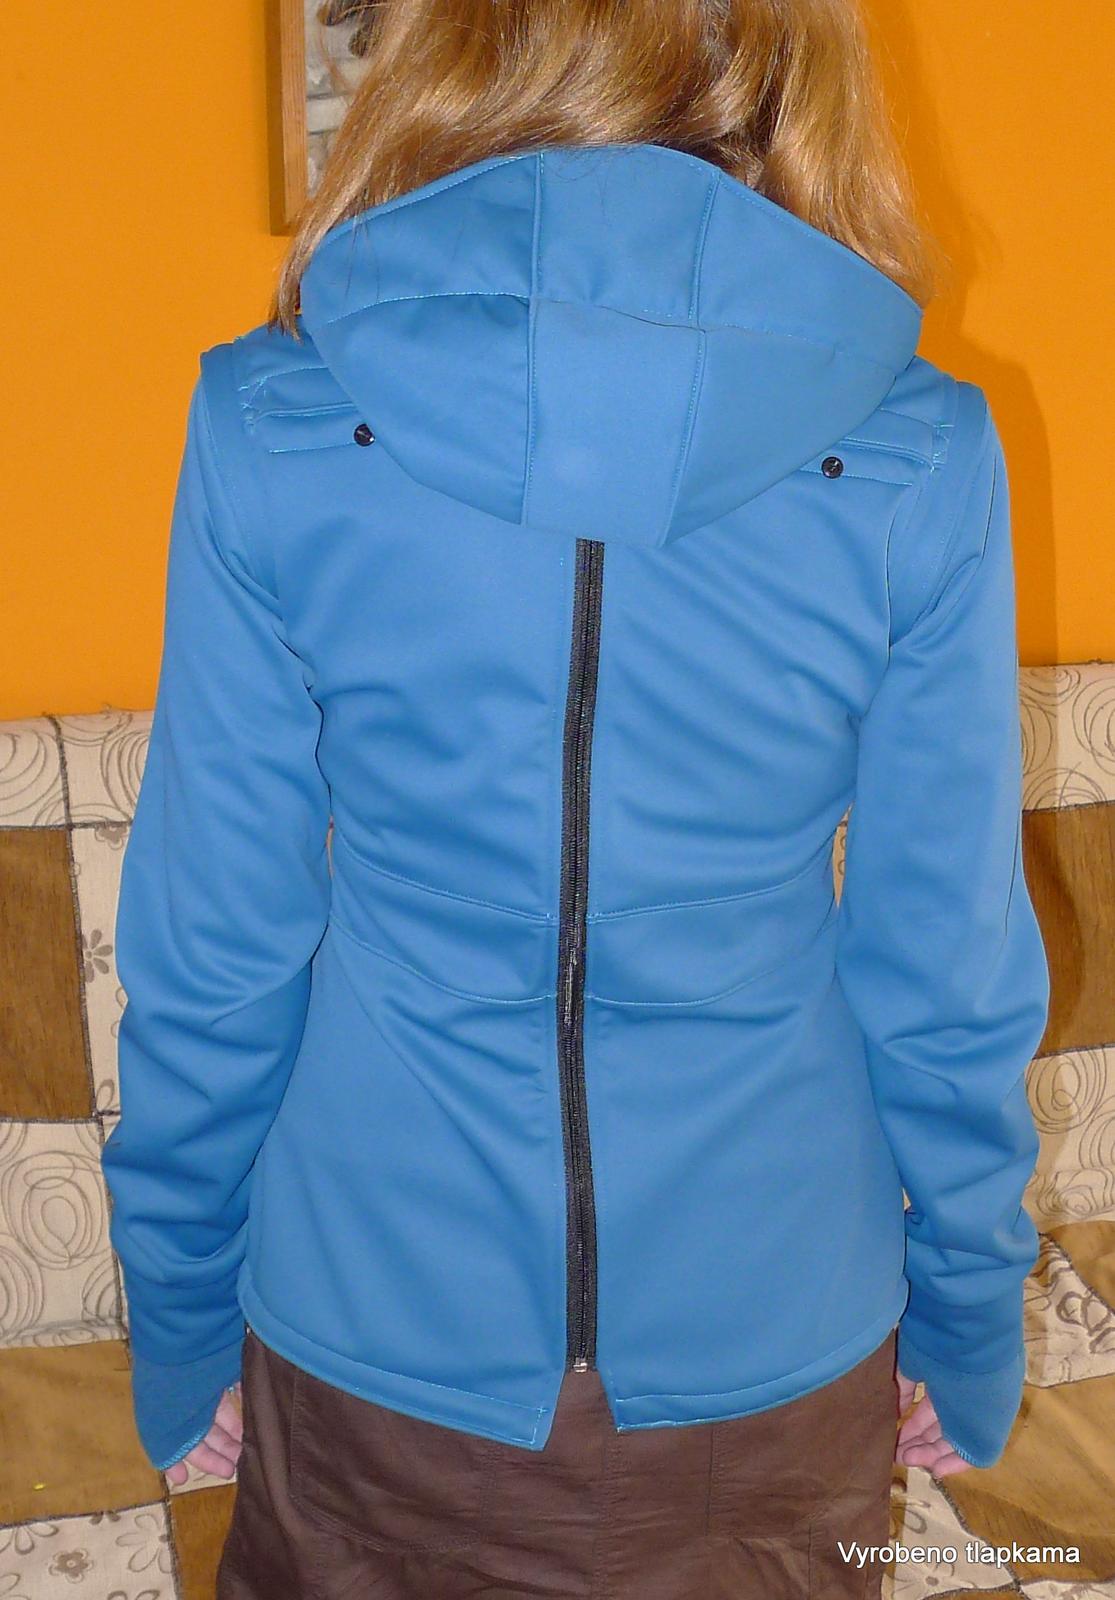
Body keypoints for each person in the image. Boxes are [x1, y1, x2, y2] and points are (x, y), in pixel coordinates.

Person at [100, 1, 1051, 1595]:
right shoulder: (920, 453)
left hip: (374, 1326)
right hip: (776, 1336)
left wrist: (181, 1307)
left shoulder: (273, 421)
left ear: (456, 40)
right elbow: (945, 963)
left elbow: (216, 945)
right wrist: (966, 1302)